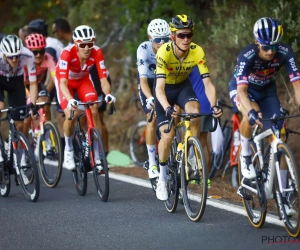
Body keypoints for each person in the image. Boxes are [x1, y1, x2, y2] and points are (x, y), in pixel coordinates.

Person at [228, 17, 300, 215]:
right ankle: (245, 156)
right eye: (266, 47)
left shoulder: (285, 52)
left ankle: (283, 196)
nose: (270, 52)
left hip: (267, 92)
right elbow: (242, 92)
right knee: (248, 116)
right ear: (257, 42)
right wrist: (250, 111)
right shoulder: (247, 55)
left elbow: (297, 84)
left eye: (274, 47)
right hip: (244, 90)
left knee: (280, 135)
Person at [154, 14, 222, 201]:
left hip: (183, 87)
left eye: (189, 35)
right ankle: (161, 178)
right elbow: (159, 88)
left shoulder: (197, 51)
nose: (186, 39)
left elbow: (207, 83)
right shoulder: (164, 52)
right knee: (167, 137)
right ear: (173, 36)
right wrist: (167, 107)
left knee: (195, 113)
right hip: (165, 90)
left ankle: (191, 150)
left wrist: (214, 105)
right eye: (182, 35)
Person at [55, 25, 116, 171]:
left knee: (94, 109)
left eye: (90, 43)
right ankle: (68, 150)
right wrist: (70, 99)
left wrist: (108, 94)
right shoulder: (66, 53)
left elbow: (103, 79)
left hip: (83, 80)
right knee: (70, 114)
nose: (87, 48)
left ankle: (97, 153)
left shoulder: (97, 52)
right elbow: (62, 82)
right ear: (76, 44)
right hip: (66, 82)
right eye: (83, 45)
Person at [136, 18, 170, 178]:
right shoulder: (143, 49)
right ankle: (152, 162)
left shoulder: (171, 48)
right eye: (158, 40)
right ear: (151, 39)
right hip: (148, 81)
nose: (162, 43)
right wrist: (150, 98)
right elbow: (143, 81)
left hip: (164, 80)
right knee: (152, 116)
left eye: (166, 39)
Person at [0, 35, 38, 168]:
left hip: (16, 82)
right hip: (0, 80)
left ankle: (20, 160)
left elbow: (33, 83)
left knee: (20, 125)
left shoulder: (27, 55)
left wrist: (32, 105)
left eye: (17, 55)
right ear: (4, 54)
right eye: (11, 57)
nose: (15, 59)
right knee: (0, 106)